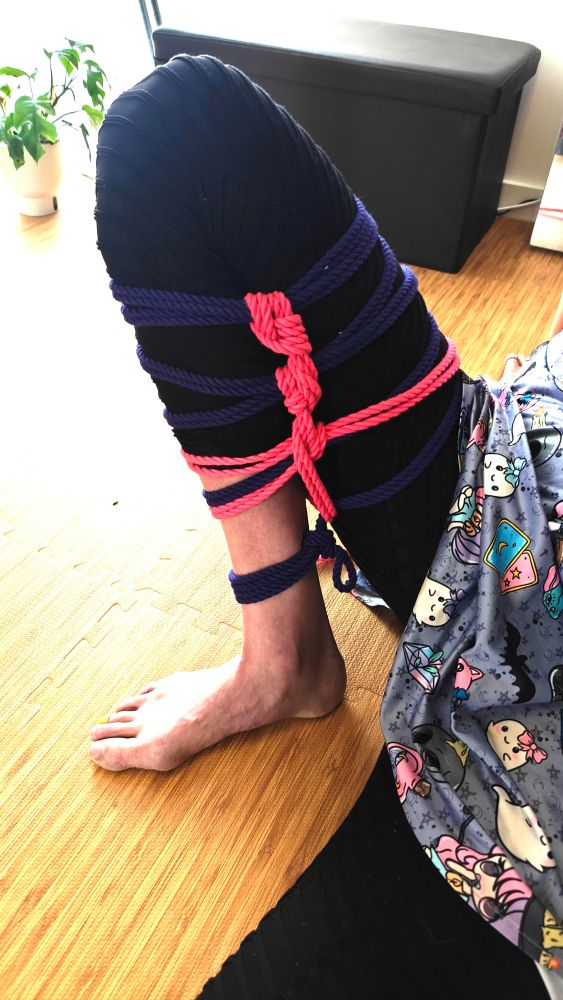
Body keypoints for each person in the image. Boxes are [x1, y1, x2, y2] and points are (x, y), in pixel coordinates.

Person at [94, 55, 563, 998]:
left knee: (178, 129)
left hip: (517, 542)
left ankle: (288, 664)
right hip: (512, 453)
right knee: (181, 136)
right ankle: (288, 657)